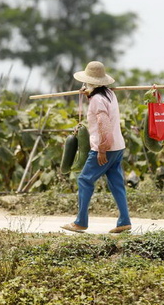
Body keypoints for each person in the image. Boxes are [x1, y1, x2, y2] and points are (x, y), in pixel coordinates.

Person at [61, 61, 132, 234]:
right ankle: (124, 221)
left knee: (84, 180)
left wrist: (101, 149)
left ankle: (80, 222)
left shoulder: (97, 100)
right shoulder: (108, 94)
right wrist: (88, 94)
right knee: (116, 183)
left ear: (90, 83)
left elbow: (103, 123)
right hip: (117, 146)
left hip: (105, 147)